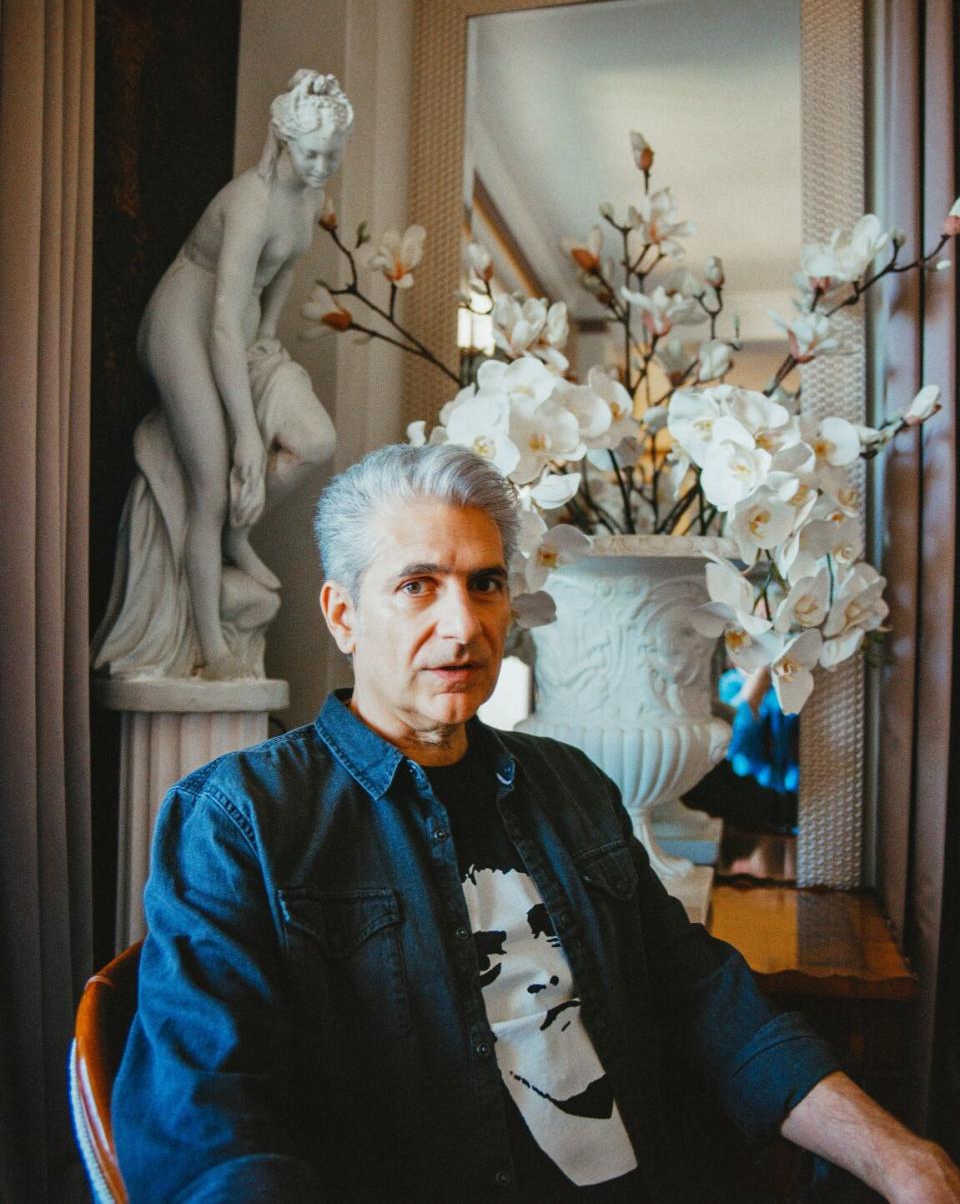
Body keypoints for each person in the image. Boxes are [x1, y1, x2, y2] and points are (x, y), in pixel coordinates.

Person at [112, 444, 960, 1202]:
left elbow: (704, 997)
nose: (464, 624)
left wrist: (897, 1157)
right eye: (417, 586)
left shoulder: (571, 785)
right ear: (342, 615)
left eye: (485, 583)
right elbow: (206, 1125)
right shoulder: (241, 818)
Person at [93, 70, 348, 681]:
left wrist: (269, 353)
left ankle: (238, 531)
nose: (319, 167)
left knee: (317, 440)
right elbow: (219, 326)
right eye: (310, 154)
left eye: (331, 156)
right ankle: (213, 648)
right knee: (212, 482)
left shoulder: (309, 200)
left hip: (241, 325)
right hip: (186, 321)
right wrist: (247, 434)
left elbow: (274, 289)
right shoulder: (251, 204)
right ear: (283, 142)